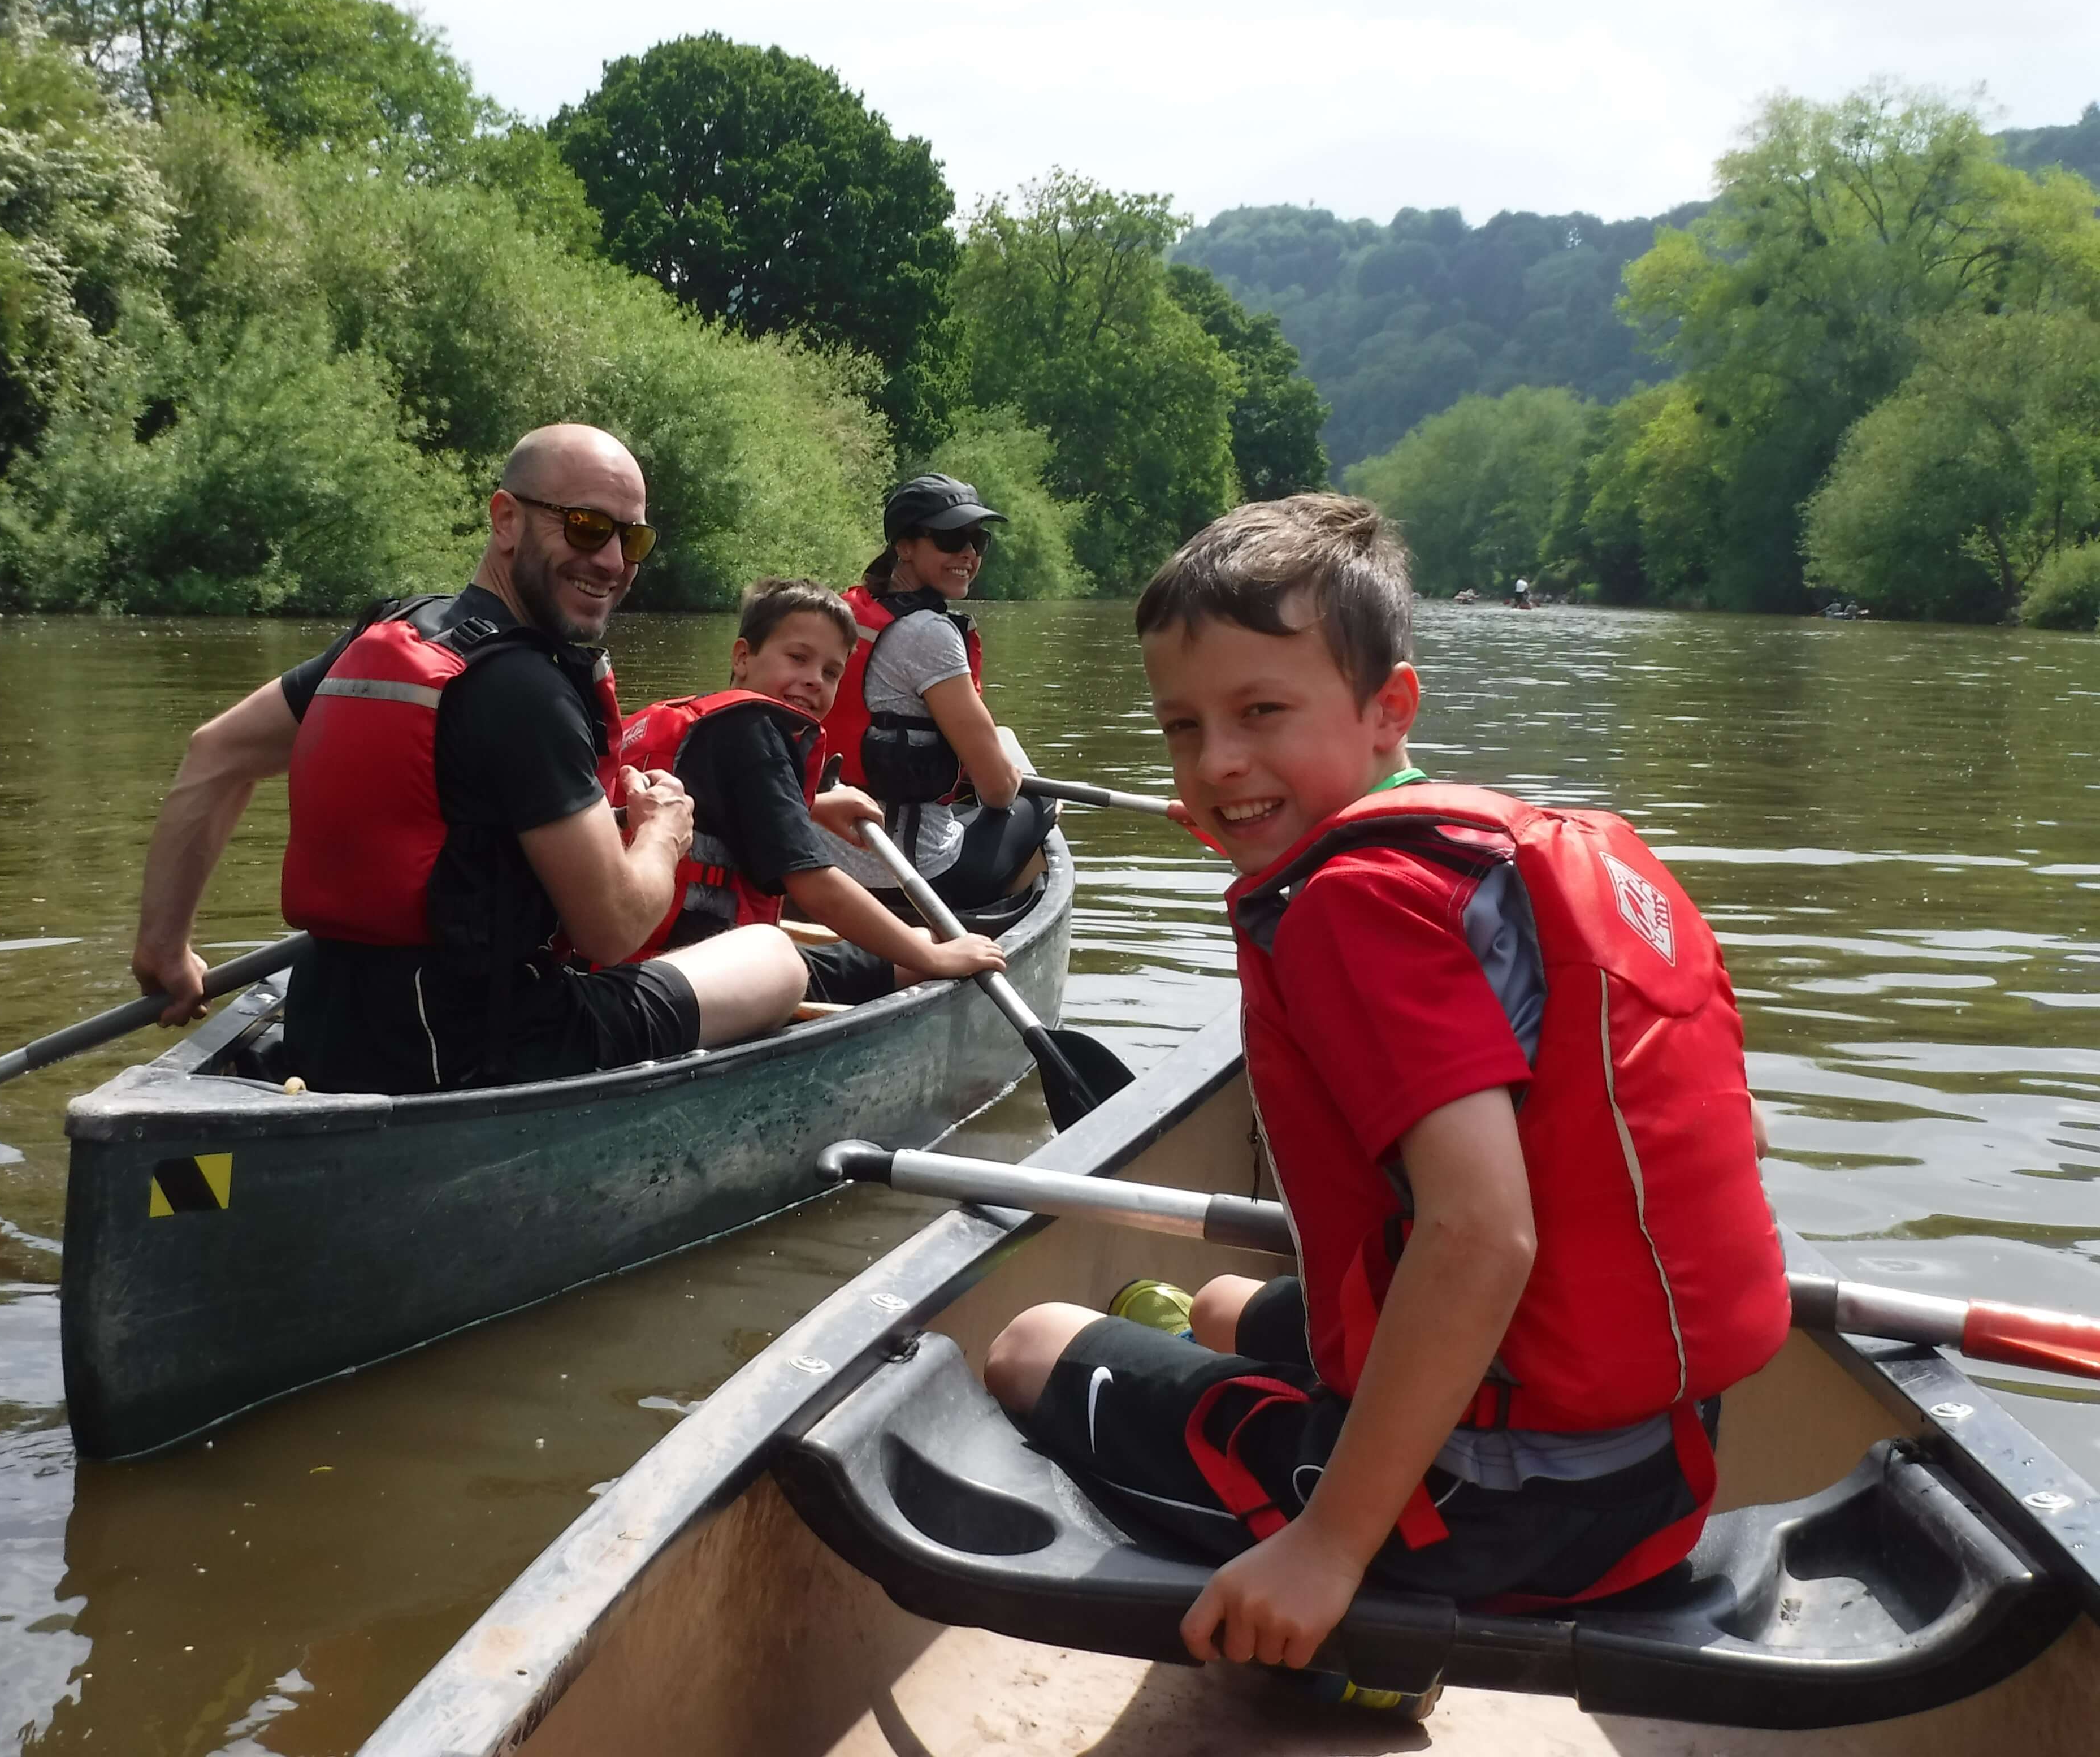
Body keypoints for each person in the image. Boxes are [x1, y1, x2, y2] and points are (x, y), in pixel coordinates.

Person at [981, 494, 1789, 1673]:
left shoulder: (1352, 907)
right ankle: (1232, 1397)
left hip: (1483, 1517)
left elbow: (1480, 1236)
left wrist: (1332, 1547)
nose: (1218, 763)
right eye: (1183, 728)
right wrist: (1271, 784)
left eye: (1262, 713)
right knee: (1220, 1309)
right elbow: (1741, 1131)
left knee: (1029, 1340)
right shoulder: (1499, 855)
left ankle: (1341, 1648)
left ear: (1387, 707)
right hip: (1654, 1478)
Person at [128, 423, 806, 1094]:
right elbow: (614, 931)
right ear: (506, 519)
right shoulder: (527, 691)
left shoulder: (397, 634)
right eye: (583, 526)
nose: (612, 562)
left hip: (327, 1025)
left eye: (633, 539)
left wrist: (163, 946)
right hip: (486, 1053)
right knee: (775, 958)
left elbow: (215, 755)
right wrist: (663, 832)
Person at [614, 578, 1009, 1005]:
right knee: (916, 951)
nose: (814, 680)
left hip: (642, 958)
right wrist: (935, 959)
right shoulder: (756, 734)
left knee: (907, 942)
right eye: (798, 658)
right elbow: (815, 887)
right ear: (743, 656)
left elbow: (728, 809)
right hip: (698, 976)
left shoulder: (707, 721)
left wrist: (815, 806)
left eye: (831, 672)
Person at [821, 473, 1049, 909]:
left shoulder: (841, 612)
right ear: (904, 547)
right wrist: (1012, 779)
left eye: (977, 540)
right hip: (906, 878)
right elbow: (999, 788)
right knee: (1038, 806)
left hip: (824, 863)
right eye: (950, 538)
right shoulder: (929, 634)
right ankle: (988, 924)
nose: (967, 553)